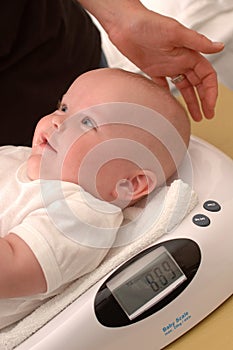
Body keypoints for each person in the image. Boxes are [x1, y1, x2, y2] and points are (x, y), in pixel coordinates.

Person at [0, 67, 190, 329]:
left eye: (88, 122)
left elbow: (10, 265)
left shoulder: (83, 216)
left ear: (129, 185)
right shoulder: (17, 156)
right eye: (64, 107)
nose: (57, 120)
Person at [0, 0, 223, 146]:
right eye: (63, 108)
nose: (56, 120)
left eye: (63, 107)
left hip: (57, 52)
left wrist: (121, 15)